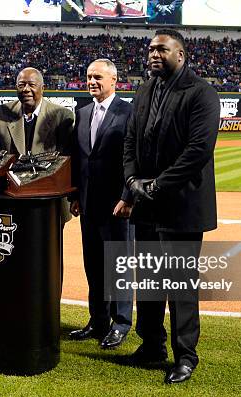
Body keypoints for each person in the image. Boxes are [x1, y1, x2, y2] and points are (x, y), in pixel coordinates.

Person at [123, 29, 220, 384]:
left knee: (180, 284)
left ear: (180, 54)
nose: (153, 54)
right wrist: (133, 183)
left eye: (161, 49)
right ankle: (151, 344)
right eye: (150, 48)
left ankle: (185, 356)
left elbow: (197, 151)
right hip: (147, 202)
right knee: (147, 280)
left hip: (181, 204)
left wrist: (156, 186)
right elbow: (132, 138)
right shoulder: (145, 88)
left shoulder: (202, 93)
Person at [69, 59, 134, 349]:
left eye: (98, 77)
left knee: (118, 265)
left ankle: (121, 323)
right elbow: (79, 159)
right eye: (88, 76)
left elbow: (134, 160)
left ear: (113, 80)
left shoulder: (128, 112)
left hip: (117, 206)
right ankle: (98, 321)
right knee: (93, 266)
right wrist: (74, 197)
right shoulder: (81, 113)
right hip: (89, 205)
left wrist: (128, 196)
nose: (92, 81)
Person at [0, 67, 74, 156]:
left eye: (32, 85)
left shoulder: (62, 116)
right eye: (21, 85)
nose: (26, 89)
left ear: (42, 88)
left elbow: (66, 161)